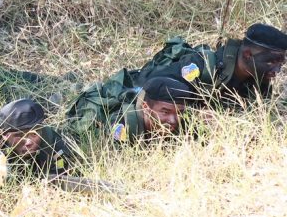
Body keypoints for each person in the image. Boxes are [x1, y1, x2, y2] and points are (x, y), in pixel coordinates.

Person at [138, 23, 286, 105]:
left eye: (281, 63)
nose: (277, 70)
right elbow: (150, 89)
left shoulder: (260, 81)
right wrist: (194, 115)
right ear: (248, 55)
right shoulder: (203, 66)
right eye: (271, 62)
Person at [68, 76, 199, 145]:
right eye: (165, 112)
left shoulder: (181, 120)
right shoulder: (124, 125)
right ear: (146, 107)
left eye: (179, 112)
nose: (173, 120)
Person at [0, 99, 74, 179]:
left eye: (34, 134)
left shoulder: (51, 139)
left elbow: (60, 169)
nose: (29, 142)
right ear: (4, 135)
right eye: (20, 135)